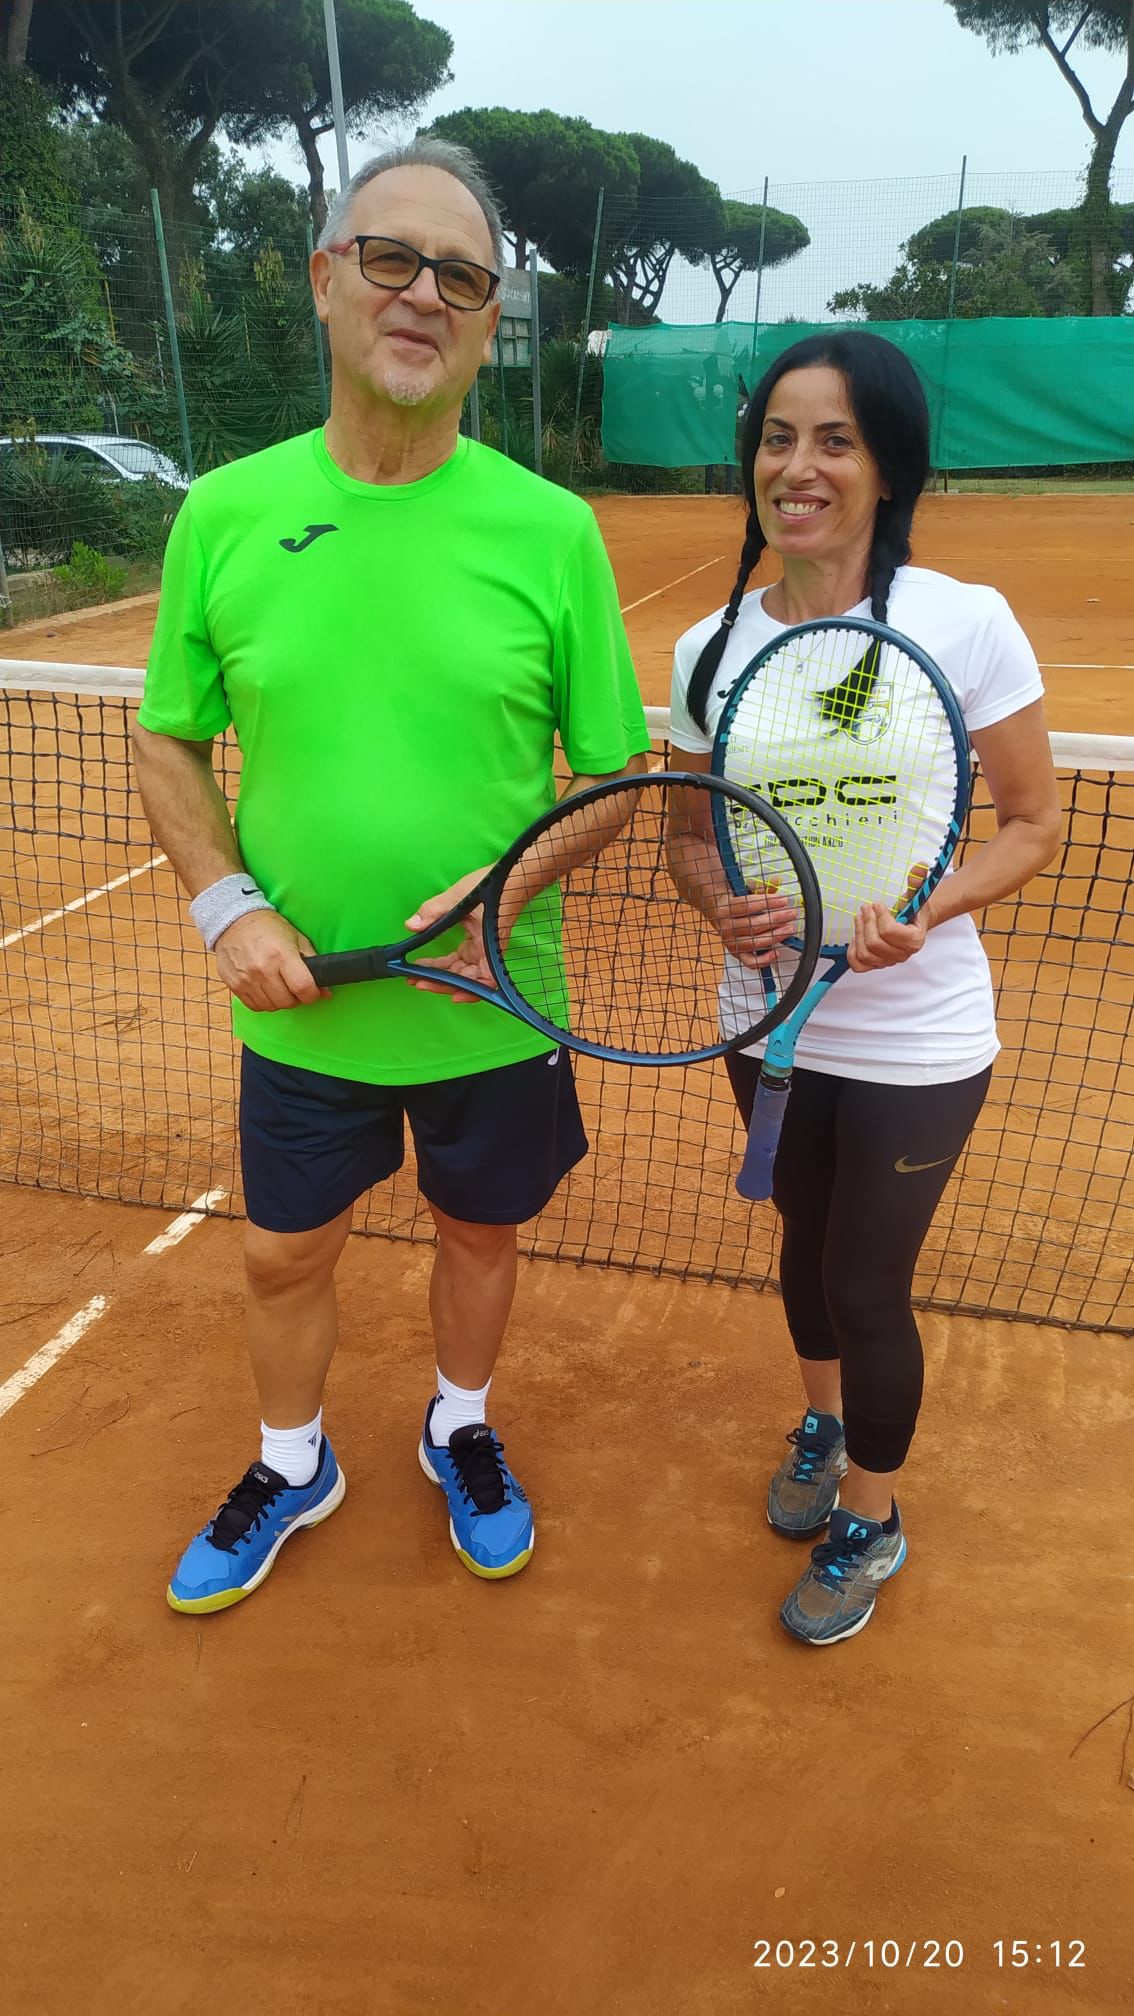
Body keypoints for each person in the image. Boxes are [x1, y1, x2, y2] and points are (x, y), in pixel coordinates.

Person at [133, 139, 650, 1615]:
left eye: (462, 277)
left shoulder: (551, 531)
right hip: (302, 1012)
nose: (424, 293)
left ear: (490, 321)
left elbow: (615, 776)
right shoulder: (225, 513)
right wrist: (227, 908)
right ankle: (291, 1461)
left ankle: (458, 1425)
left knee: (479, 1234)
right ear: (326, 281)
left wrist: (509, 890)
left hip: (493, 1001)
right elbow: (168, 739)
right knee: (282, 1256)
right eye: (391, 258)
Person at [668, 331, 1061, 1646]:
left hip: (916, 1031)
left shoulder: (964, 621)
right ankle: (823, 1422)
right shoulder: (709, 648)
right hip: (765, 1018)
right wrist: (718, 905)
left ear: (887, 467)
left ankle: (871, 1517)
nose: (800, 466)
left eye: (835, 440)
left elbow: (1032, 823)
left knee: (864, 1277)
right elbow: (686, 837)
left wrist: (929, 908)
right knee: (800, 1243)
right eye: (777, 438)